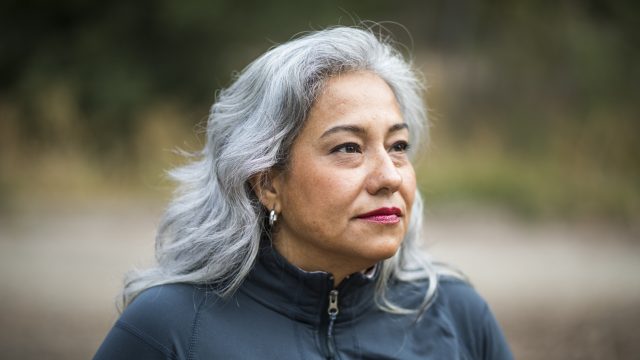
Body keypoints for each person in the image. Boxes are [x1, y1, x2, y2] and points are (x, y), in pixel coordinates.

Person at [94, 26, 513, 359]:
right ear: (267, 182)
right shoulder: (171, 328)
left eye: (398, 146)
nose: (389, 177)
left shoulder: (456, 314)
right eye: (348, 148)